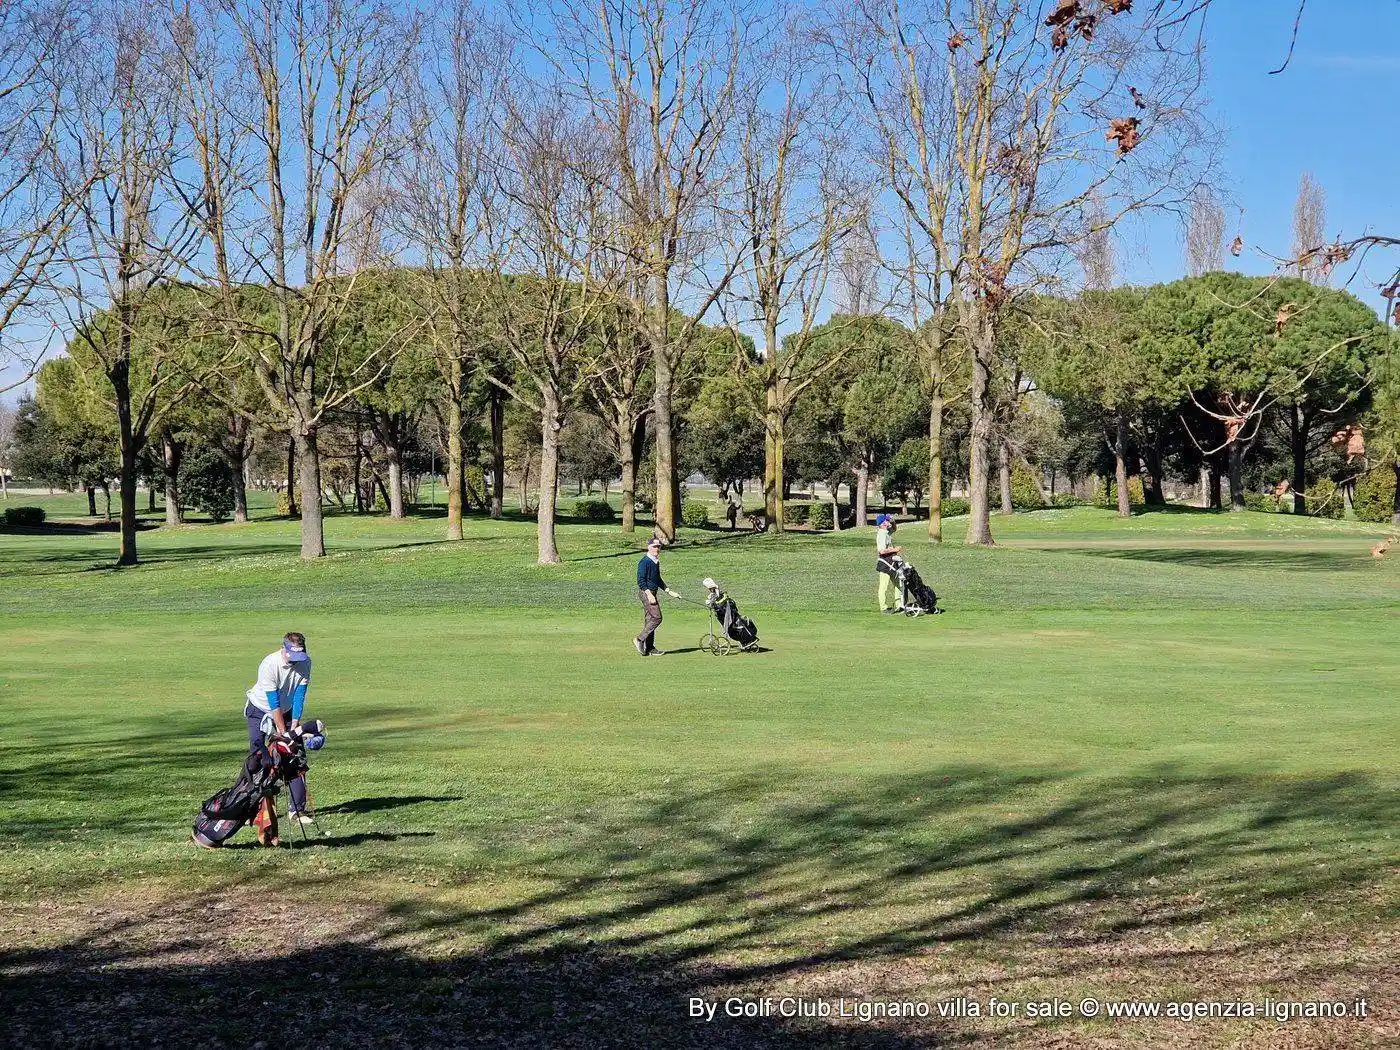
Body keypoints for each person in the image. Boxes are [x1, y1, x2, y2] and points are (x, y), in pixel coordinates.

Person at [244, 632, 314, 823]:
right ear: (284, 649)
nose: (295, 662)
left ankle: (297, 811)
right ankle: (252, 808)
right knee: (257, 759)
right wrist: (283, 733)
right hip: (260, 709)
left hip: (287, 709)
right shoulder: (269, 664)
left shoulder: (305, 662)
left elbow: (300, 696)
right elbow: (273, 703)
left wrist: (294, 730)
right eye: (292, 657)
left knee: (295, 756)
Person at [635, 537, 681, 655]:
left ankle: (649, 648)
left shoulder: (655, 561)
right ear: (649, 547)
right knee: (657, 618)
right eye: (654, 546)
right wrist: (649, 594)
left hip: (653, 592)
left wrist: (668, 590)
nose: (657, 549)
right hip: (647, 593)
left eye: (659, 547)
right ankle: (639, 639)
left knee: (650, 620)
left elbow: (657, 579)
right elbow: (641, 580)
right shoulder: (644, 562)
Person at [875, 514, 903, 614]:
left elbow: (894, 528)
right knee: (883, 587)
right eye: (887, 521)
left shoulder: (886, 532)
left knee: (898, 584)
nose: (889, 522)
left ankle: (899, 605)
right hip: (885, 564)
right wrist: (895, 549)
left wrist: (893, 520)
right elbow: (881, 551)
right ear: (882, 523)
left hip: (891, 562)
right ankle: (883, 608)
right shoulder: (881, 534)